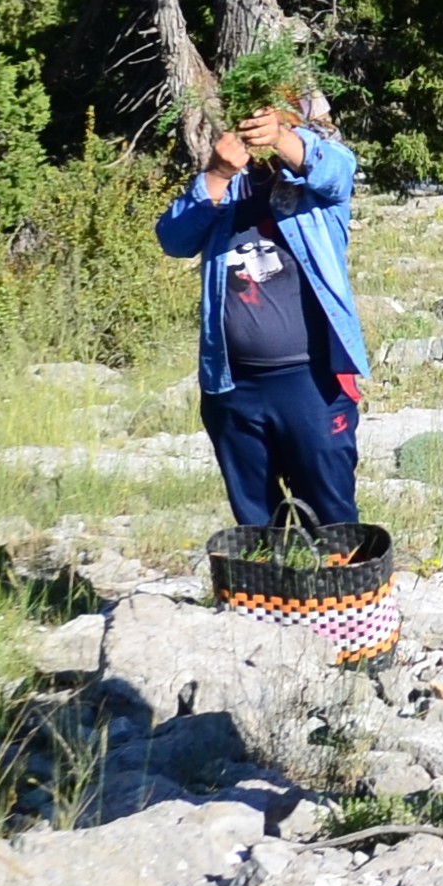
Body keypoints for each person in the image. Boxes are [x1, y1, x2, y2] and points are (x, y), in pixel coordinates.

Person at [156, 60, 365, 532]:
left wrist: (284, 140)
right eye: (251, 120)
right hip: (233, 386)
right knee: (257, 525)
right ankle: (269, 599)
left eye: (273, 119)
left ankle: (341, 601)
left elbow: (335, 168)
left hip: (313, 382)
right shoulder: (225, 188)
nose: (259, 129)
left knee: (334, 521)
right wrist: (215, 173)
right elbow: (173, 239)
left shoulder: (318, 192)